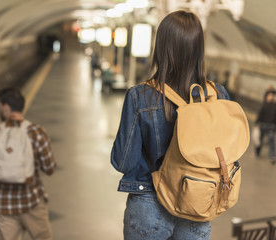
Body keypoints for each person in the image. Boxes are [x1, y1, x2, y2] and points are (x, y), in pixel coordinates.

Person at [111, 11, 230, 240]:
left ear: (161, 47)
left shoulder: (140, 96)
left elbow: (122, 161)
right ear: (199, 48)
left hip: (148, 203)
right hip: (198, 204)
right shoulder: (218, 94)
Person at [0, 88, 56, 240]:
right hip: (32, 202)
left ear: (6, 108)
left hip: (5, 208)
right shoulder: (37, 132)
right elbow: (50, 168)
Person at [255, 91, 276, 164]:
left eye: (272, 96)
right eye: (270, 96)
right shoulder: (264, 105)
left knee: (271, 141)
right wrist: (256, 123)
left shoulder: (274, 105)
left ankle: (272, 156)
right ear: (267, 96)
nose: (271, 97)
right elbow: (260, 114)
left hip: (271, 126)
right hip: (263, 125)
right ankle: (257, 152)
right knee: (260, 140)